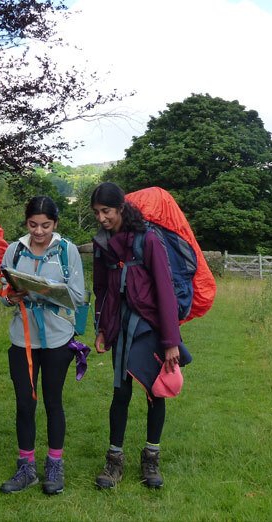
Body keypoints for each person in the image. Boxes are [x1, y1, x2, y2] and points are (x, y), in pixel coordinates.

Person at [90, 181, 182, 490]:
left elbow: (165, 292)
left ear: (120, 208)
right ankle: (114, 460)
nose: (101, 218)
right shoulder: (103, 243)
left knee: (155, 392)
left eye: (106, 211)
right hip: (119, 327)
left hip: (150, 329)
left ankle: (151, 458)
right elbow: (101, 289)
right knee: (120, 392)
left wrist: (171, 342)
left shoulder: (149, 240)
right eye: (97, 213)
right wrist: (101, 329)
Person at [0, 196, 85, 495]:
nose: (38, 231)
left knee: (53, 401)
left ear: (55, 224)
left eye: (45, 225)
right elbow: (3, 288)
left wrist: (46, 291)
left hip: (58, 336)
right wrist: (10, 296)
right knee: (24, 402)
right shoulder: (15, 249)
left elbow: (77, 295)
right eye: (33, 225)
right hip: (22, 338)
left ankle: (55, 466)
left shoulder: (66, 250)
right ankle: (26, 468)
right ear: (26, 223)